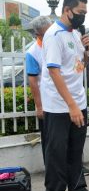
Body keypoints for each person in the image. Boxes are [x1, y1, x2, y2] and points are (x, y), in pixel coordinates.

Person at [41, 0, 89, 191]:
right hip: (59, 105)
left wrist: (87, 51)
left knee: (76, 148)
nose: (83, 16)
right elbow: (55, 72)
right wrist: (71, 105)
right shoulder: (54, 35)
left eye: (85, 12)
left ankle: (77, 187)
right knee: (57, 150)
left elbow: (78, 65)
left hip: (78, 100)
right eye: (80, 12)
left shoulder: (75, 33)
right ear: (67, 10)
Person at [26, 16, 52, 163]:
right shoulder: (33, 52)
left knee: (68, 136)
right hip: (47, 102)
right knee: (49, 138)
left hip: (63, 99)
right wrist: (39, 106)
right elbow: (33, 81)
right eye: (46, 33)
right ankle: (51, 168)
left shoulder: (56, 43)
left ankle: (73, 168)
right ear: (38, 35)